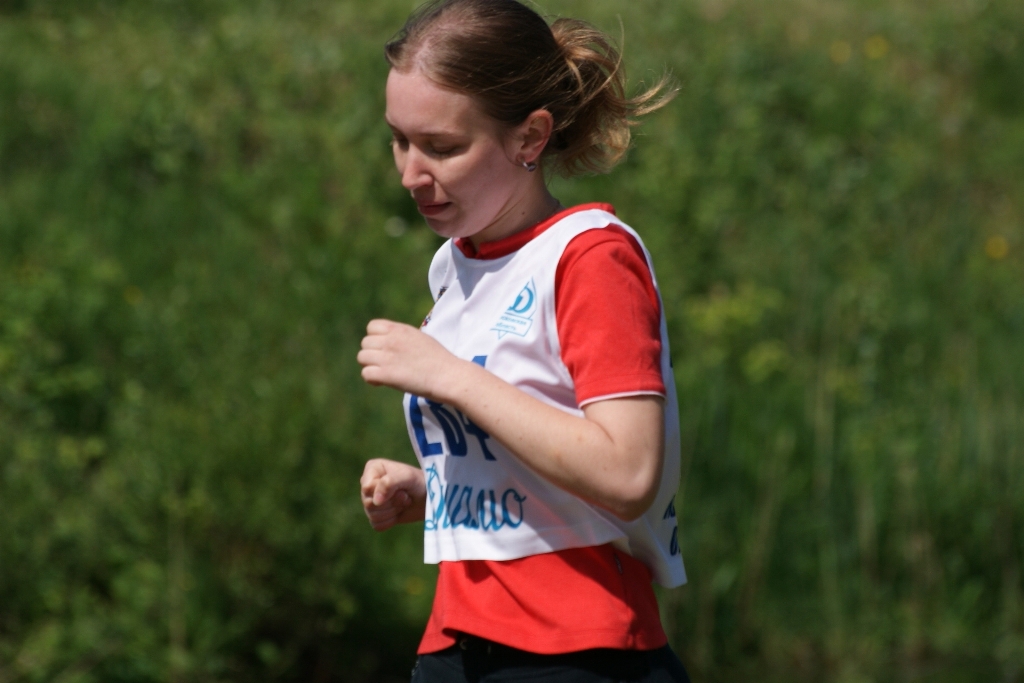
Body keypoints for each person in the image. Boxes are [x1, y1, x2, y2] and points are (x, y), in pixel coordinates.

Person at [357, 1, 689, 681]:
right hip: (454, 643)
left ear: (530, 137)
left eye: (442, 147)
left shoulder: (590, 258)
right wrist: (435, 487)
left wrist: (450, 377)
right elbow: (542, 469)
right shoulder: (457, 264)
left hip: (577, 650)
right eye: (399, 140)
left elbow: (627, 473)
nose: (410, 173)